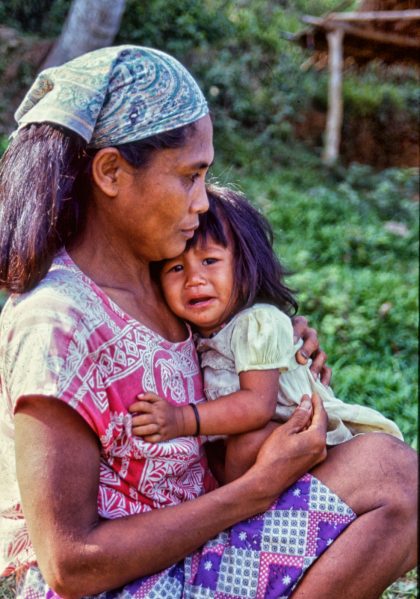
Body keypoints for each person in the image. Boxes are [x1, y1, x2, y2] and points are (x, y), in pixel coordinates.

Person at [0, 45, 416, 599]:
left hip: (194, 546)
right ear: (111, 172)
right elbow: (70, 565)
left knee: (393, 476)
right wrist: (256, 491)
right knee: (390, 474)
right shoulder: (57, 324)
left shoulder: (160, 281)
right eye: (189, 177)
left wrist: (271, 353)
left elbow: (210, 410)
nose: (201, 203)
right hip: (128, 584)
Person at [129, 185, 403, 482]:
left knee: (246, 442)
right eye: (176, 268)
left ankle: (241, 515)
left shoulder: (257, 323)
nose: (194, 279)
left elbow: (257, 406)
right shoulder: (198, 336)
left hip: (302, 431)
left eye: (210, 261)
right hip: (256, 442)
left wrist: (180, 419)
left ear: (246, 266)